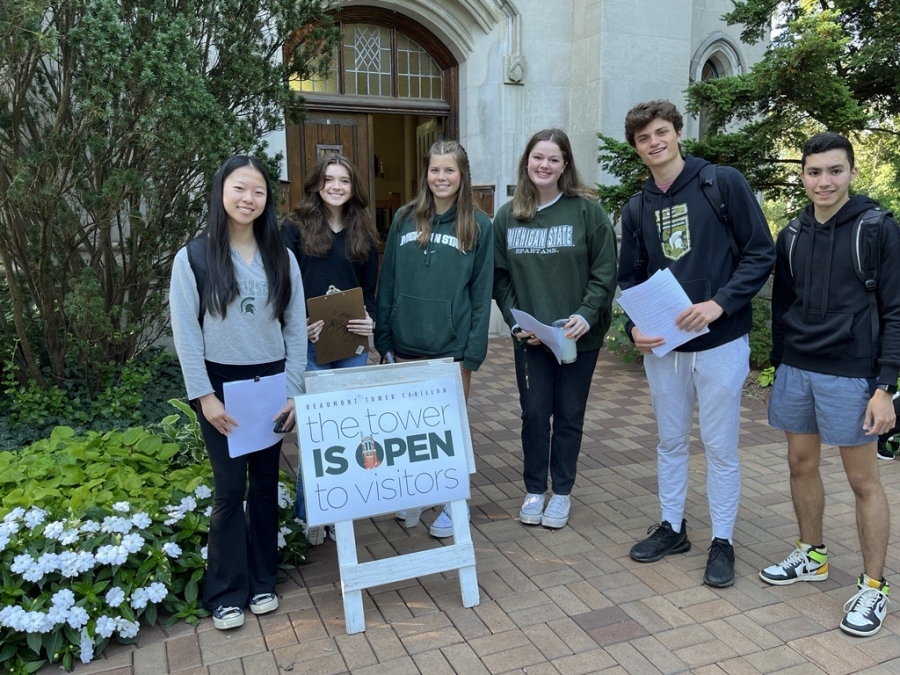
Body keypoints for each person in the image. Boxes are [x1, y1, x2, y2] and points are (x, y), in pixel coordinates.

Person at [617, 100, 775, 587]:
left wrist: (719, 303)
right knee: (669, 441)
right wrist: (633, 330)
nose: (654, 143)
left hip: (721, 340)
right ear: (637, 148)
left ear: (678, 132)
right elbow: (630, 280)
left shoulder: (720, 183)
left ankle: (722, 540)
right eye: (644, 139)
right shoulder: (637, 206)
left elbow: (760, 252)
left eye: (661, 132)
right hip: (665, 348)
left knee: (720, 445)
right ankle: (672, 526)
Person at [760, 132, 900, 637]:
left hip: (852, 373)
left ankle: (873, 586)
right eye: (814, 172)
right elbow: (782, 305)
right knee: (801, 465)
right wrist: (778, 367)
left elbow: (896, 309)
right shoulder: (792, 232)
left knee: (863, 481)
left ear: (852, 173)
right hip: (798, 367)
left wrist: (885, 385)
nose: (824, 181)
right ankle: (812, 554)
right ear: (803, 176)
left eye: (834, 171)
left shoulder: (877, 227)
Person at [170, 155, 307, 630]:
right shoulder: (194, 257)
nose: (249, 199)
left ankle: (263, 581)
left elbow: (294, 328)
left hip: (269, 384)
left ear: (267, 201)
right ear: (221, 191)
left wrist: (293, 390)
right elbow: (186, 334)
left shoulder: (281, 256)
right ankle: (226, 592)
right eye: (239, 189)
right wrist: (205, 397)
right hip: (222, 388)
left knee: (266, 485)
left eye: (259, 192)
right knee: (230, 491)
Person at [493, 128, 617, 530]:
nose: (543, 166)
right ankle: (533, 489)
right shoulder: (508, 215)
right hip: (531, 338)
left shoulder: (586, 211)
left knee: (568, 415)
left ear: (565, 165)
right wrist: (515, 322)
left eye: (553, 159)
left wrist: (586, 312)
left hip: (577, 337)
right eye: (537, 158)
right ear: (526, 162)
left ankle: (561, 492)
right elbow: (499, 277)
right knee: (533, 414)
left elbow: (604, 270)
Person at [375, 139, 493, 538]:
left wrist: (472, 353)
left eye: (449, 170)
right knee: (408, 432)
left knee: (448, 432)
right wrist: (384, 337)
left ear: (463, 176)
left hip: (451, 351)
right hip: (405, 345)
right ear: (425, 174)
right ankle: (415, 495)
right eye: (434, 170)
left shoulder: (479, 225)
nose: (441, 177)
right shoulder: (405, 218)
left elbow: (481, 293)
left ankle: (450, 504)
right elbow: (387, 279)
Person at [282, 153, 379, 544]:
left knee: (347, 431)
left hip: (351, 344)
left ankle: (340, 513)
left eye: (344, 180)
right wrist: (297, 325)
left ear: (353, 187)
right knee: (316, 431)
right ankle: (309, 513)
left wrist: (370, 321)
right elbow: (282, 287)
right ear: (316, 184)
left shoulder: (364, 234)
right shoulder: (294, 228)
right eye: (329, 179)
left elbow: (371, 292)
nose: (336, 186)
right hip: (310, 343)